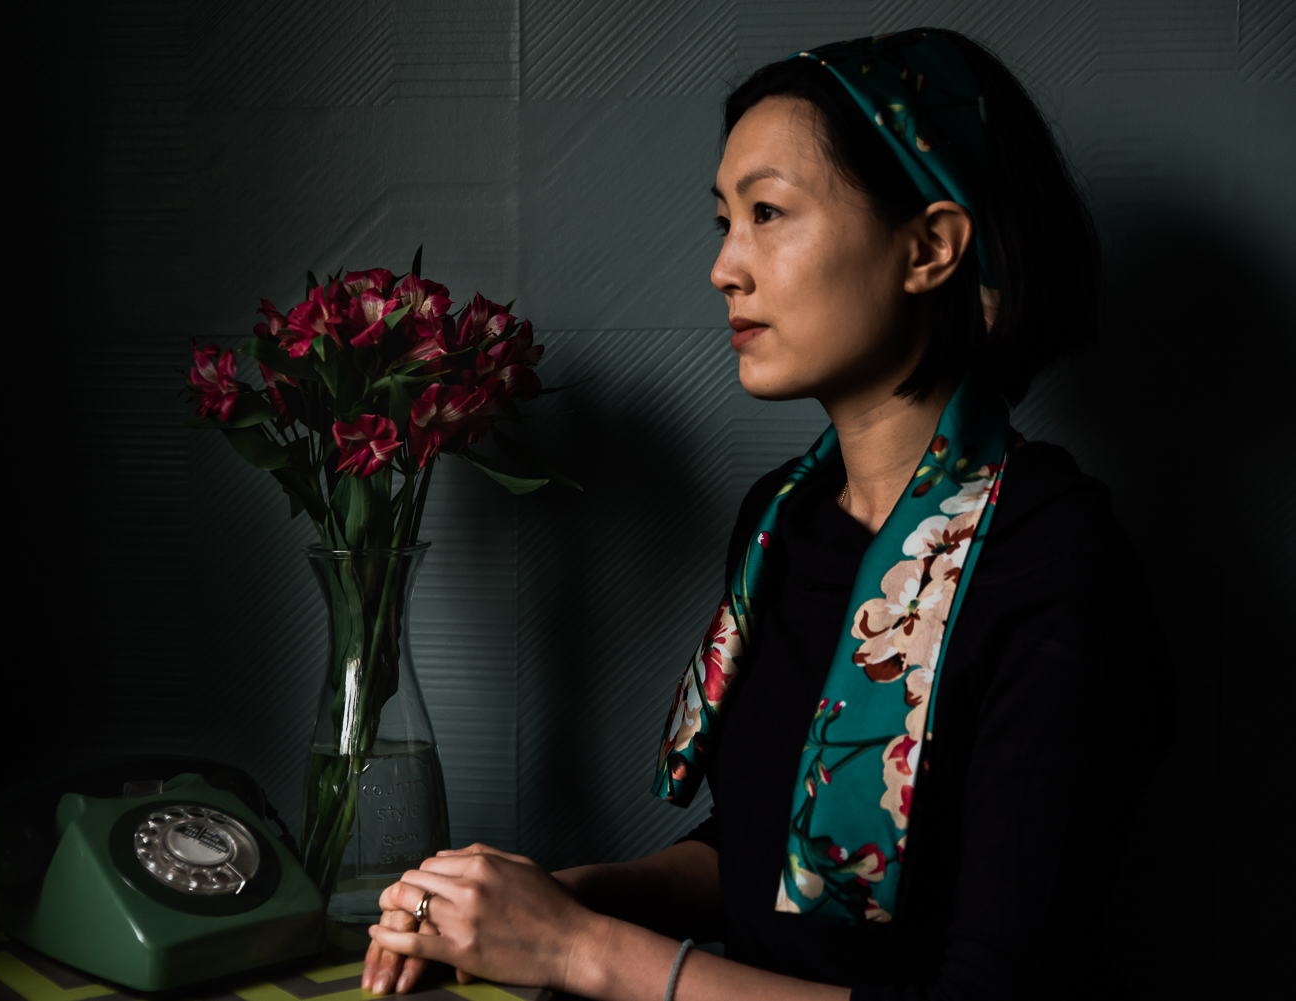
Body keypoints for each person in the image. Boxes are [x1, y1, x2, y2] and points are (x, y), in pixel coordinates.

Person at [360, 27, 1168, 1001]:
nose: (725, 268)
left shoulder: (1055, 563)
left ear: (930, 247)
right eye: (724, 221)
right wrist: (556, 899)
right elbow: (775, 861)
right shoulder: (786, 520)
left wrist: (587, 949)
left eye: (770, 213)